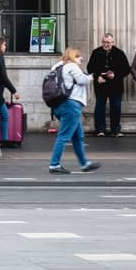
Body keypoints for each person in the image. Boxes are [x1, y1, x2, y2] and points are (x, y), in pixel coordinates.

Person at [48, 46, 102, 174]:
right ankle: (54, 164)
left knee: (78, 136)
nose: (81, 59)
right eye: (78, 56)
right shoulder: (72, 66)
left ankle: (84, 164)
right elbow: (81, 80)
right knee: (63, 136)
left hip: (58, 105)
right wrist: (91, 77)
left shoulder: (56, 67)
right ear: (72, 56)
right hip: (71, 105)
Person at [87, 32, 130, 137]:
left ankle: (116, 130)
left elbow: (126, 69)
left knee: (116, 107)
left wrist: (115, 74)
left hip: (115, 85)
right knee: (99, 107)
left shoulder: (119, 53)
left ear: (113, 42)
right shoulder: (96, 52)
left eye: (109, 42)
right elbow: (90, 68)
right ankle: (100, 129)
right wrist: (98, 77)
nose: (106, 45)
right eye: (104, 42)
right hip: (101, 85)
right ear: (102, 42)